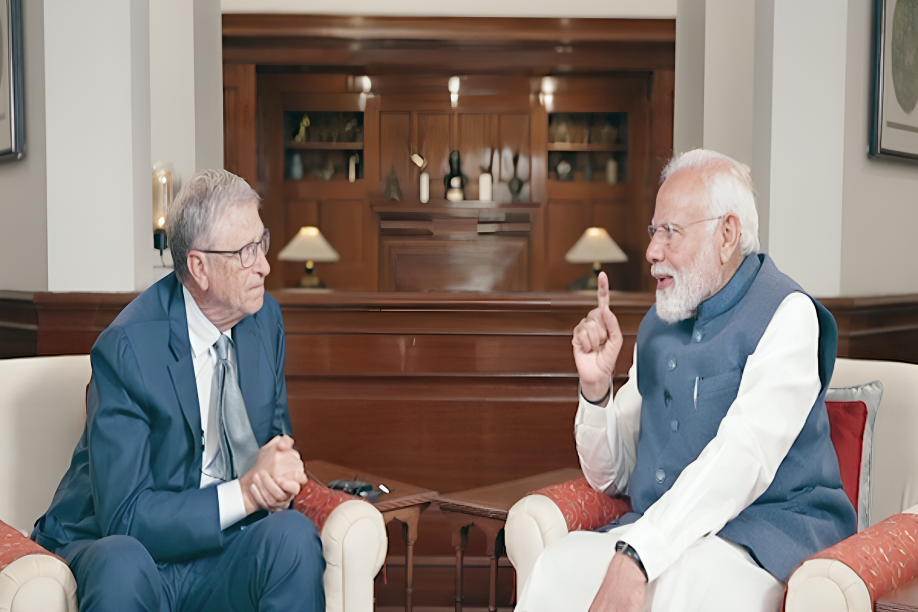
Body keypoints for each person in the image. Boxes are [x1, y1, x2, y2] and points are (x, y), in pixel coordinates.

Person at [516, 150, 856, 612]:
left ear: (727, 235)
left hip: (771, 533)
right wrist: (596, 392)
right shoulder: (660, 322)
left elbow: (742, 458)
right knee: (558, 565)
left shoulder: (789, 314)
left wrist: (638, 555)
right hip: (670, 532)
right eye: (654, 231)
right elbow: (612, 475)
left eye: (671, 232)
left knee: (688, 585)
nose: (653, 250)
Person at [32, 170, 325, 612]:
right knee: (122, 561)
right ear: (199, 267)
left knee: (294, 537)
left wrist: (278, 475)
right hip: (131, 550)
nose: (263, 264)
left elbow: (273, 440)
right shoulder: (128, 347)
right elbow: (125, 517)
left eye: (261, 242)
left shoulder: (265, 321)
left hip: (221, 550)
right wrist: (246, 492)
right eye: (246, 252)